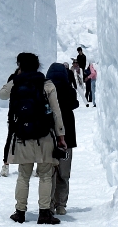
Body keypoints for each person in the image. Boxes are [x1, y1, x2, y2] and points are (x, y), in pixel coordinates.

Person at [0, 53, 67, 224]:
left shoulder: (16, 82)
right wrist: (61, 135)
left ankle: (20, 211)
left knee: (23, 175)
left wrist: (16, 77)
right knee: (45, 175)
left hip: (23, 135)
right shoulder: (47, 84)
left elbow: (1, 94)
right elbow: (56, 112)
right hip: (44, 135)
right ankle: (44, 213)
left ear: (20, 65)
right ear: (38, 65)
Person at [46, 62, 79, 216]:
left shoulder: (46, 90)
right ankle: (61, 205)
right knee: (64, 173)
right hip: (68, 138)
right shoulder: (69, 90)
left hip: (50, 136)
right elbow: (75, 104)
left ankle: (50, 204)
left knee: (50, 171)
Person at [0, 67, 20, 177]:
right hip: (14, 114)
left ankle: (28, 164)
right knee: (11, 139)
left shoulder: (31, 77)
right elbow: (3, 93)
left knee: (30, 140)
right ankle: (6, 164)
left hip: (28, 114)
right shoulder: (13, 78)